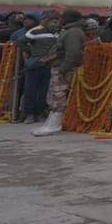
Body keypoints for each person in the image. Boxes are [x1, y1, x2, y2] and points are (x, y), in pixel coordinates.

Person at [33, 8, 86, 136]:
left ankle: (54, 125)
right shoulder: (69, 30)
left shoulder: (73, 32)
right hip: (60, 66)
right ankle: (50, 123)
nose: (59, 20)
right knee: (54, 96)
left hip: (64, 68)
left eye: (62, 17)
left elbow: (73, 53)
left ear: (68, 19)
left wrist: (63, 69)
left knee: (59, 95)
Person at [18, 15, 59, 123]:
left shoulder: (59, 32)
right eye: (52, 20)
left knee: (44, 91)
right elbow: (21, 41)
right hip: (35, 64)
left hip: (49, 65)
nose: (54, 23)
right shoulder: (35, 31)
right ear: (45, 21)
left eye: (56, 21)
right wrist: (32, 53)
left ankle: (40, 112)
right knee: (30, 90)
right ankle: (29, 114)